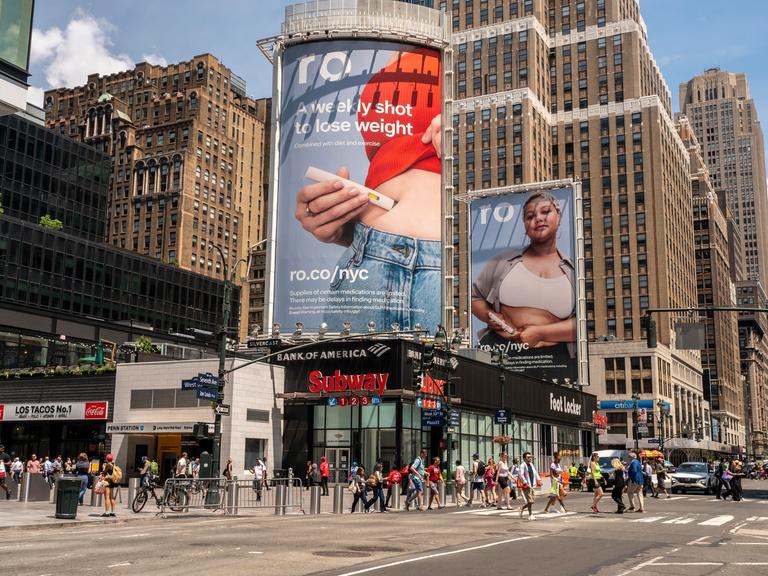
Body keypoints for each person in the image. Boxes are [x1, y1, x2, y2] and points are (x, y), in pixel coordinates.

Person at [294, 50, 443, 332]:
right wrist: (339, 226)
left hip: (449, 269)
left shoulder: (484, 45)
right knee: (349, 377)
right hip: (368, 260)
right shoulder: (394, 44)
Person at [471, 191, 577, 378]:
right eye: (530, 216)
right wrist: (489, 316)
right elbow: (474, 297)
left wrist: (540, 333)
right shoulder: (502, 261)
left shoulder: (574, 272)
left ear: (558, 216)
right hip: (500, 352)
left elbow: (581, 325)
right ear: (525, 224)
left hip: (555, 361)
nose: (538, 219)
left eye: (545, 212)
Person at [517, 452, 541, 520]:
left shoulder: (531, 464)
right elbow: (520, 474)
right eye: (528, 457)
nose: (530, 458)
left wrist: (539, 479)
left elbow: (535, 473)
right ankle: (530, 515)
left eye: (530, 457)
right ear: (524, 458)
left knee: (532, 501)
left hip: (532, 485)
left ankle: (522, 508)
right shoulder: (522, 465)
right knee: (530, 501)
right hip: (526, 485)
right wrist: (525, 482)